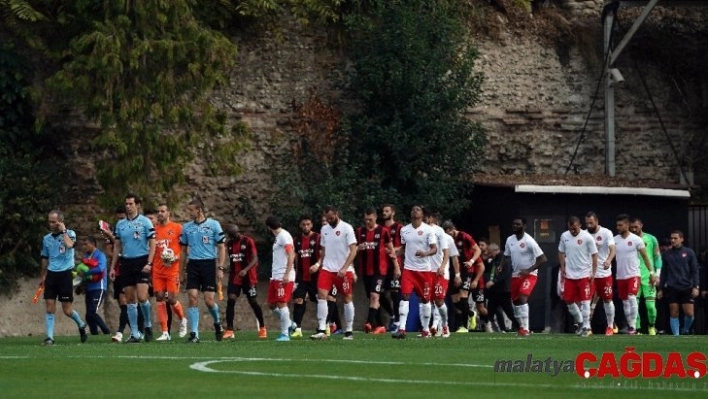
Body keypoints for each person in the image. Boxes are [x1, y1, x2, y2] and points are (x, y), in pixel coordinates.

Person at [109, 194, 156, 343]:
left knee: (142, 297)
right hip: (126, 262)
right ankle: (135, 333)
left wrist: (149, 263)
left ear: (138, 205)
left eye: (130, 204)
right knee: (130, 300)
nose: (128, 206)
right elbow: (117, 246)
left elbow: (153, 243)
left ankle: (148, 325)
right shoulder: (120, 224)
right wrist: (112, 267)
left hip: (142, 260)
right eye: (126, 204)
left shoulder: (146, 222)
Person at [179, 198, 226, 343]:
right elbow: (183, 250)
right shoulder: (187, 227)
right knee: (192, 297)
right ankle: (194, 334)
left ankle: (217, 323)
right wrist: (181, 271)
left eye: (191, 210)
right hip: (193, 264)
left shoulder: (213, 225)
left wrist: (220, 267)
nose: (189, 212)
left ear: (199, 210)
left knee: (209, 300)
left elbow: (221, 247)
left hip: (208, 264)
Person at [39, 210, 88, 345]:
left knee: (67, 310)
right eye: (49, 221)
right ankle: (49, 338)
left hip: (65, 274)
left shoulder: (70, 234)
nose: (51, 224)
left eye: (54, 221)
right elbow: (45, 258)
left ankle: (81, 325)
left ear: (61, 221)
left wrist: (64, 231)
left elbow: (70, 245)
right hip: (51, 275)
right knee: (49, 306)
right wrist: (43, 276)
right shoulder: (46, 239)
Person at [311, 205, 358, 340]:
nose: (329, 220)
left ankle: (349, 331)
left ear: (337, 214)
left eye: (331, 218)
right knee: (321, 295)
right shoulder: (324, 229)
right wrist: (319, 264)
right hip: (327, 269)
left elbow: (353, 250)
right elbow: (324, 251)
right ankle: (321, 329)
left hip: (343, 270)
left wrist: (345, 268)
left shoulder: (347, 228)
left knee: (347, 298)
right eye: (327, 218)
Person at [392, 205, 438, 339]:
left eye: (418, 209)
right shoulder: (404, 230)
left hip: (424, 271)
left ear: (422, 215)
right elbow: (404, 248)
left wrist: (425, 253)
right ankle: (401, 329)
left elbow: (434, 248)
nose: (414, 211)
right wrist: (396, 254)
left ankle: (425, 330)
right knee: (404, 296)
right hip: (409, 270)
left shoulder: (428, 230)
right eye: (413, 209)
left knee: (425, 300)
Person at [147, 205, 188, 341]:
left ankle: (183, 319)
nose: (160, 214)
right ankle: (165, 332)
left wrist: (175, 258)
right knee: (159, 297)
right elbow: (152, 249)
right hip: (158, 270)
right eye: (158, 212)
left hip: (172, 270)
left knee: (171, 299)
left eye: (163, 211)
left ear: (168, 213)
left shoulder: (177, 228)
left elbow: (183, 249)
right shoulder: (154, 230)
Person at [503, 217, 547, 336]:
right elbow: (506, 255)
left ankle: (526, 329)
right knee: (516, 302)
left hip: (530, 275)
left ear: (524, 226)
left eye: (518, 224)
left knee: (523, 297)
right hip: (516, 275)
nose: (515, 226)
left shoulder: (529, 241)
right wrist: (500, 266)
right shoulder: (509, 240)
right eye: (513, 224)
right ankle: (521, 327)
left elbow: (543, 259)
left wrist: (529, 270)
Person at [356, 207, 397, 334]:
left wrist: (396, 267)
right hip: (366, 271)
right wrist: (358, 248)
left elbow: (391, 250)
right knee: (373, 299)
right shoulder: (359, 232)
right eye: (366, 220)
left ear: (375, 218)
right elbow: (352, 249)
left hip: (380, 270)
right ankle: (380, 325)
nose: (368, 222)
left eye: (370, 219)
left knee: (375, 296)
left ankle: (368, 322)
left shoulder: (383, 231)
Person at [614, 214, 655, 335]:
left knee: (632, 297)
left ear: (627, 225)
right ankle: (631, 326)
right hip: (621, 276)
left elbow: (645, 257)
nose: (618, 227)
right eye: (617, 225)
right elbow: (609, 255)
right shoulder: (614, 240)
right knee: (625, 301)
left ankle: (633, 327)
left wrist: (652, 273)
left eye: (620, 225)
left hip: (634, 274)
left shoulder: (636, 240)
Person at [223, 224, 266, 340]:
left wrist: (245, 270)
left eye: (234, 235)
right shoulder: (230, 244)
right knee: (231, 300)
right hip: (235, 277)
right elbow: (234, 261)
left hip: (248, 277)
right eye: (230, 236)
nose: (233, 237)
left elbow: (255, 258)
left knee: (253, 301)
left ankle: (262, 327)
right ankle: (230, 329)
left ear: (238, 232)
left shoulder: (248, 241)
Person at [558, 216, 598, 337]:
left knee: (585, 301)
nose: (573, 231)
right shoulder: (564, 236)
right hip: (570, 274)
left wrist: (593, 273)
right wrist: (563, 266)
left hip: (584, 274)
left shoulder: (587, 238)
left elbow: (595, 255)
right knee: (569, 301)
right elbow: (560, 252)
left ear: (580, 225)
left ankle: (587, 327)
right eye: (571, 229)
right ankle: (581, 323)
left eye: (575, 228)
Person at [442, 221, 483, 333]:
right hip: (455, 270)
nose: (448, 234)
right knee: (454, 299)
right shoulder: (446, 240)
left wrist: (471, 261)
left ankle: (464, 326)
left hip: (466, 269)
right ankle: (471, 313)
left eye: (449, 231)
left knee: (463, 295)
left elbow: (478, 250)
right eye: (446, 232)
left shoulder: (464, 236)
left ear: (453, 229)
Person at [658, 231, 700, 335]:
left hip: (687, 286)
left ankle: (685, 330)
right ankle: (676, 336)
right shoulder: (666, 254)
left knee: (689, 313)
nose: (672, 240)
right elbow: (664, 272)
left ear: (681, 239)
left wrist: (696, 286)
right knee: (674, 313)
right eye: (671, 238)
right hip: (672, 287)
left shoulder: (689, 252)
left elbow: (695, 271)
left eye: (675, 238)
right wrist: (661, 288)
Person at [584, 212, 617, 336]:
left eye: (591, 223)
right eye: (587, 223)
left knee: (607, 300)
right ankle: (586, 327)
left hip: (604, 273)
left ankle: (609, 326)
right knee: (585, 301)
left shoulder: (606, 233)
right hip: (589, 274)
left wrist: (608, 260)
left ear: (597, 221)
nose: (589, 225)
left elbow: (613, 248)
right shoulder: (584, 234)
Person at [629, 217, 663, 335]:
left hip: (648, 277)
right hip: (633, 276)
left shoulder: (651, 239)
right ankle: (637, 329)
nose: (633, 229)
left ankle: (651, 326)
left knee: (650, 306)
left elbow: (657, 257)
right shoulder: (628, 239)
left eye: (636, 227)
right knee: (634, 305)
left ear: (641, 225)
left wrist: (656, 275)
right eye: (631, 227)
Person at [265, 216, 296, 341]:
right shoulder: (278, 237)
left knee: (282, 303)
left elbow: (291, 254)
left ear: (268, 227)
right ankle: (290, 324)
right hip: (276, 275)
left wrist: (287, 274)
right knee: (271, 304)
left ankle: (285, 334)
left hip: (283, 274)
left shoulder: (284, 236)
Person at [292, 215, 321, 337]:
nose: (306, 226)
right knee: (298, 300)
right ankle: (297, 329)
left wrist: (317, 265)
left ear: (312, 225)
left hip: (316, 276)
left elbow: (323, 254)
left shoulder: (318, 237)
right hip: (301, 277)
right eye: (303, 224)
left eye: (308, 224)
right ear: (300, 225)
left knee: (320, 300)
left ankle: (324, 326)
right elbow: (294, 257)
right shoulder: (296, 240)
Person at [79, 236, 111, 336]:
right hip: (89, 288)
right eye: (83, 244)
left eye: (86, 244)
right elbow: (82, 271)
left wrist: (87, 272)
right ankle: (94, 334)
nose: (84, 246)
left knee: (92, 311)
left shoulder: (100, 255)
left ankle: (106, 331)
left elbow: (100, 268)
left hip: (99, 287)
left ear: (93, 244)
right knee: (88, 315)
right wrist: (81, 284)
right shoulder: (85, 257)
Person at [484, 243, 519, 333]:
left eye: (490, 252)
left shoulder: (505, 259)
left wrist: (493, 281)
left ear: (496, 250)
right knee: (491, 311)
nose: (489, 254)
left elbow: (505, 274)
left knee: (509, 312)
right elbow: (488, 271)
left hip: (503, 290)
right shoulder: (493, 260)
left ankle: (520, 327)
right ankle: (497, 328)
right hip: (494, 291)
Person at [426, 211, 451, 337]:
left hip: (438, 271)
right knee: (425, 301)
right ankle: (427, 329)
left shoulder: (439, 231)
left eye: (425, 216)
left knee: (439, 300)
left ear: (430, 217)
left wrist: (442, 266)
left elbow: (446, 252)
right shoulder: (416, 231)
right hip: (424, 271)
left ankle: (445, 326)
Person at [382, 204, 404, 331]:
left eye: (387, 211)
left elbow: (403, 247)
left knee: (395, 293)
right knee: (379, 293)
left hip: (396, 264)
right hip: (383, 266)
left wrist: (391, 250)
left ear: (393, 212)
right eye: (383, 211)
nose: (384, 213)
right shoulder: (381, 229)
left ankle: (397, 321)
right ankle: (393, 314)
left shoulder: (399, 228)